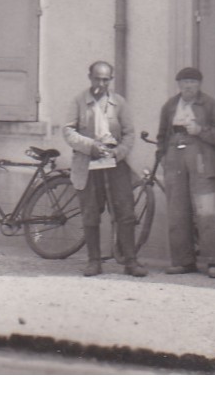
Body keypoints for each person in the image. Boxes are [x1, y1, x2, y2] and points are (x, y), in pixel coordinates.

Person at [63, 60, 148, 278]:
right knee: (91, 214)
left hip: (115, 166)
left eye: (105, 79)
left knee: (126, 213)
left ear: (110, 80)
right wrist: (90, 146)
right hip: (88, 165)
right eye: (97, 78)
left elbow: (129, 133)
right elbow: (68, 132)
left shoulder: (119, 103)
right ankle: (94, 261)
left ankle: (130, 261)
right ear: (89, 77)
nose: (101, 83)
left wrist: (118, 152)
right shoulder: (79, 102)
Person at [156, 66, 215, 278]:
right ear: (178, 85)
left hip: (202, 161)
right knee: (177, 212)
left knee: (206, 213)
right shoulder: (170, 106)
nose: (188, 86)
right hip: (174, 161)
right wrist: (162, 157)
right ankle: (182, 261)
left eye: (193, 82)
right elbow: (162, 135)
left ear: (199, 85)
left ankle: (212, 262)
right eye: (184, 82)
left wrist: (200, 131)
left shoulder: (210, 105)